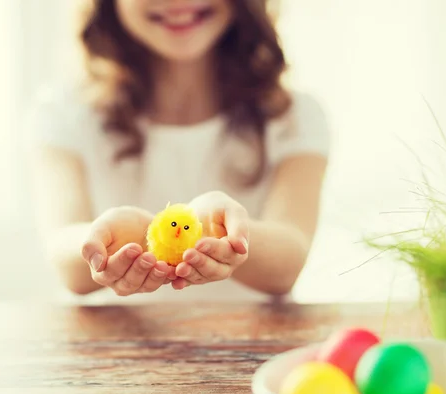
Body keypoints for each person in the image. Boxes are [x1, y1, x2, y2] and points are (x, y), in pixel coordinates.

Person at [29, 0, 329, 303]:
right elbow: (65, 258)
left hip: (254, 342)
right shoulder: (63, 111)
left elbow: (289, 262)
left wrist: (229, 234)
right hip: (109, 341)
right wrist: (109, 238)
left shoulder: (294, 116)